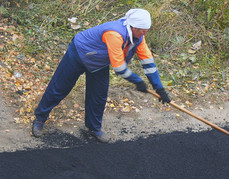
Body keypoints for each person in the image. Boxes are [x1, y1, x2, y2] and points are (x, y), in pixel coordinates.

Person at [32, 8, 171, 143]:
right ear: (134, 27)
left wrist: (159, 88)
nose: (144, 34)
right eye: (143, 31)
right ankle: (40, 118)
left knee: (98, 95)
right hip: (79, 53)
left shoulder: (139, 37)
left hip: (98, 62)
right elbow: (119, 67)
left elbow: (148, 62)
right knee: (60, 87)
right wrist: (137, 81)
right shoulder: (114, 34)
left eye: (146, 31)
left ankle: (94, 128)